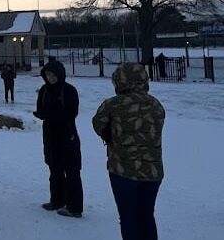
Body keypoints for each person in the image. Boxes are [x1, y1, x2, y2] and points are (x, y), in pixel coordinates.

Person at [93, 63, 165, 240]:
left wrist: (111, 135)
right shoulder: (155, 104)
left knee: (128, 218)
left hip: (123, 169)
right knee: (147, 216)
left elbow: (98, 124)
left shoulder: (113, 104)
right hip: (152, 171)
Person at [34, 60, 84, 218]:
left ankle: (75, 207)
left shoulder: (69, 90)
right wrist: (42, 114)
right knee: (54, 169)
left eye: (53, 75)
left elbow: (71, 113)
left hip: (67, 134)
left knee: (72, 171)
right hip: (50, 134)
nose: (50, 78)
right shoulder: (44, 90)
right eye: (47, 75)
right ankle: (57, 200)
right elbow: (41, 108)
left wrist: (51, 115)